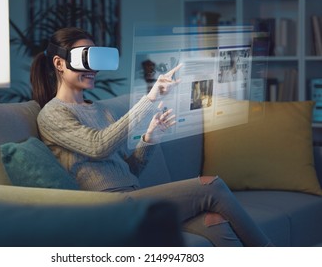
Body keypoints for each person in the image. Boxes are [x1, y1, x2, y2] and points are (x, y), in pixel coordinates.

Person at [31, 27, 273, 247]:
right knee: (212, 185)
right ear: (59, 63)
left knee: (214, 222)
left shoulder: (100, 109)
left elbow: (130, 170)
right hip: (105, 209)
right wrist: (150, 99)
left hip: (133, 196)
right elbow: (98, 146)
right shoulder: (52, 114)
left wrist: (149, 139)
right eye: (86, 59)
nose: (93, 69)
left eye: (95, 59)